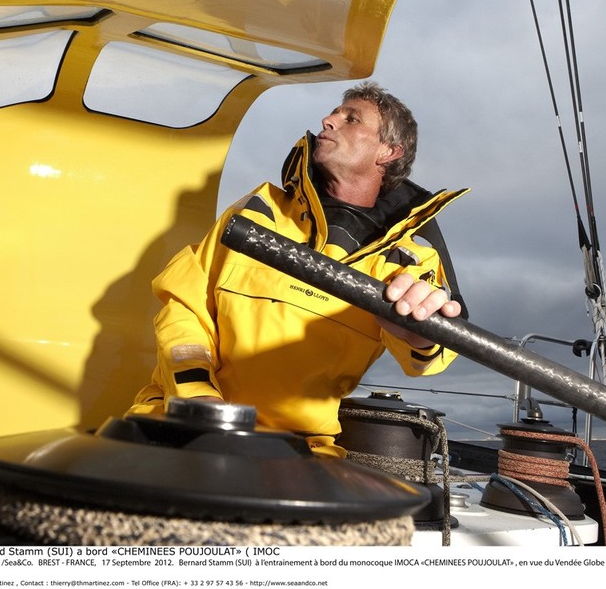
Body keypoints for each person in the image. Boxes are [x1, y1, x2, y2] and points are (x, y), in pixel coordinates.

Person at [127, 82, 468, 457]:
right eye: (334, 113)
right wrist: (198, 397)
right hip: (175, 422)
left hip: (296, 451)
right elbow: (184, 307)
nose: (328, 120)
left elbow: (429, 355)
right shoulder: (259, 210)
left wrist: (418, 331)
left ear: (388, 151)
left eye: (350, 118)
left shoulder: (407, 260)